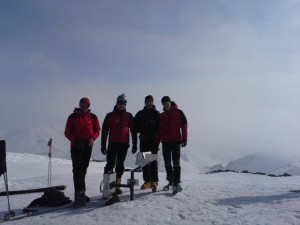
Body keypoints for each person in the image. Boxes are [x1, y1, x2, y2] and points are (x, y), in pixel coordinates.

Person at [64, 97, 100, 208]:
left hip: (88, 146)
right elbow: (67, 132)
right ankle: (78, 194)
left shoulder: (93, 117)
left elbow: (97, 130)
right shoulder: (73, 116)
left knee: (83, 169)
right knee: (77, 170)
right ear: (79, 105)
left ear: (89, 106)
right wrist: (75, 140)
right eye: (82, 105)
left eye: (86, 105)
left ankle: (81, 192)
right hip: (76, 147)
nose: (84, 107)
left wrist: (92, 138)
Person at [101, 94, 137, 195]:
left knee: (120, 164)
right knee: (110, 164)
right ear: (116, 103)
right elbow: (104, 131)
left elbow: (133, 131)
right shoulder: (110, 115)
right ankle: (108, 186)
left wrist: (135, 144)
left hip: (124, 145)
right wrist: (103, 144)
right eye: (119, 103)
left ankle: (117, 185)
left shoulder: (129, 116)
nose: (121, 105)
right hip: (113, 144)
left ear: (126, 104)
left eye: (123, 103)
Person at [158, 96, 188, 193]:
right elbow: (159, 130)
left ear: (170, 102)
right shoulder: (162, 116)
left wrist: (184, 139)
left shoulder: (178, 112)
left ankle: (177, 182)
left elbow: (184, 125)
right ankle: (170, 182)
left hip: (176, 141)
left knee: (176, 163)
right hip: (165, 142)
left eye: (167, 102)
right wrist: (157, 142)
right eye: (164, 103)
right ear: (162, 105)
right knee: (167, 163)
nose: (166, 105)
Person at [134, 95, 160, 192]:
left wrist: (157, 135)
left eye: (150, 101)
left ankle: (154, 181)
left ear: (153, 102)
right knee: (145, 161)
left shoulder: (156, 114)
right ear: (144, 102)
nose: (149, 103)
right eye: (147, 101)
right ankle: (147, 181)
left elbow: (161, 127)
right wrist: (139, 131)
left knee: (153, 161)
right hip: (144, 140)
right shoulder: (140, 113)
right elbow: (134, 125)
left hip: (153, 141)